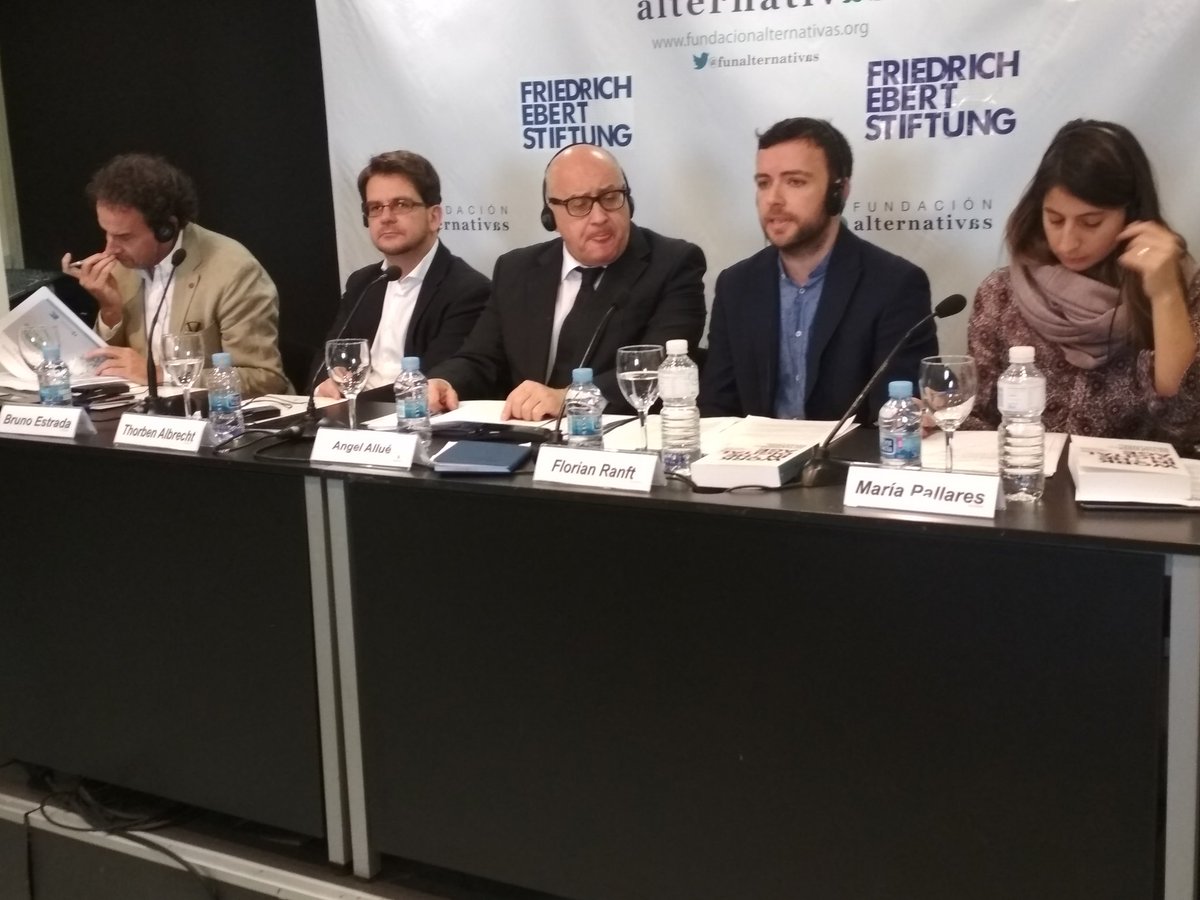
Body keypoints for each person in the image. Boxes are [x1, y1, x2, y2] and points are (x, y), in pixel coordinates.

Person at [427, 143, 707, 419]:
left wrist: (571, 398)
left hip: (616, 437)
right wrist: (446, 382)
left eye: (611, 198)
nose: (599, 217)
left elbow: (661, 368)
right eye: (579, 204)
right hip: (525, 433)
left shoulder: (673, 264)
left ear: (629, 202)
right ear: (550, 216)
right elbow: (481, 358)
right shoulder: (516, 270)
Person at [965, 119, 1200, 442]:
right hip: (1025, 471)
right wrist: (939, 419)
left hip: (1132, 474)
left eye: (1091, 223)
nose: (1067, 242)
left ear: (1132, 215)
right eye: (1055, 220)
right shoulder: (1001, 294)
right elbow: (976, 415)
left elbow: (1185, 421)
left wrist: (1166, 296)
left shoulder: (1183, 289)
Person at [698, 117, 935, 422]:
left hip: (849, 454)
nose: (773, 199)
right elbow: (717, 412)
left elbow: (895, 418)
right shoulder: (736, 285)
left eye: (795, 182)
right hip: (751, 453)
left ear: (839, 191)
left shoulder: (895, 285)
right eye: (764, 183)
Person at [62, 153, 289, 396]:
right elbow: (107, 368)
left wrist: (162, 375)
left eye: (124, 237)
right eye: (106, 233)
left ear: (165, 229)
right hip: (141, 412)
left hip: (220, 414)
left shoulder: (235, 271)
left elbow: (265, 379)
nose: (110, 249)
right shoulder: (120, 269)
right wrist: (110, 311)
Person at [314, 151, 489, 397]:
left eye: (401, 205)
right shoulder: (363, 283)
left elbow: (433, 380)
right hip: (350, 412)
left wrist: (356, 399)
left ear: (434, 217)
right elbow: (327, 359)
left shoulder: (467, 289)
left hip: (412, 413)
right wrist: (327, 382)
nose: (386, 218)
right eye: (376, 207)